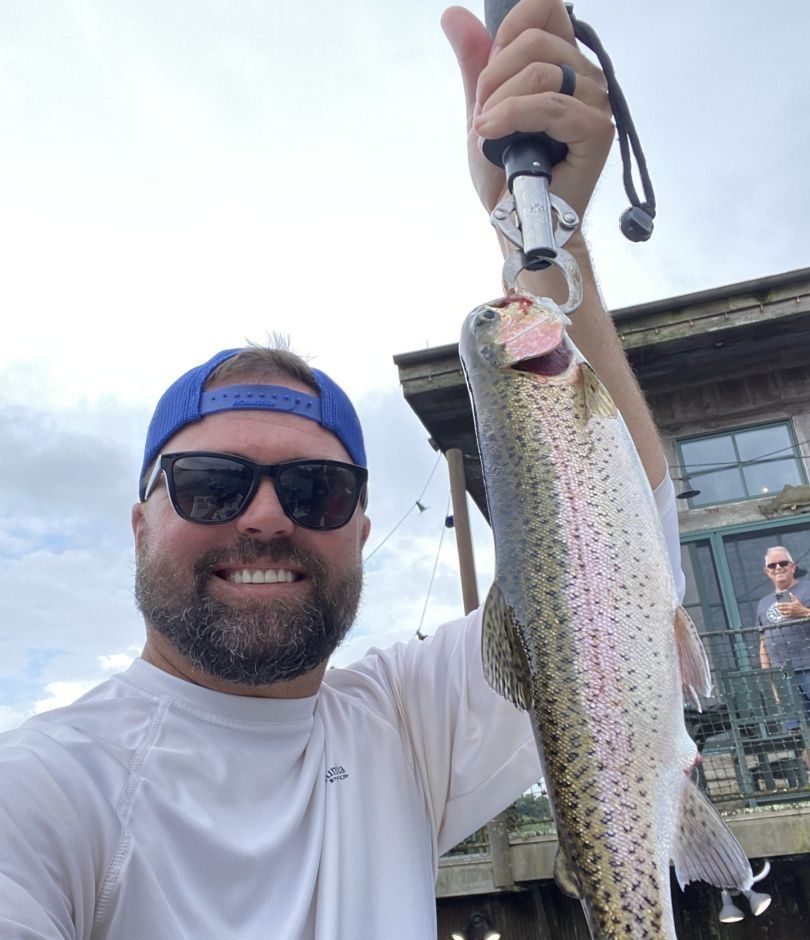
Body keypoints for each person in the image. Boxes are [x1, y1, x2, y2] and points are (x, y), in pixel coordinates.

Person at [0, 2, 684, 937]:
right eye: (212, 483)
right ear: (140, 520)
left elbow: (625, 572)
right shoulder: (40, 793)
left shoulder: (397, 724)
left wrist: (550, 235)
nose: (267, 518)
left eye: (317, 491)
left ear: (359, 529)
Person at [757, 546, 810, 723]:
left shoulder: (807, 588)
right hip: (783, 674)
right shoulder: (763, 603)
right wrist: (771, 682)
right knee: (798, 730)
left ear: (793, 567)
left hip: (808, 667)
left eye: (783, 563)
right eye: (772, 565)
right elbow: (763, 643)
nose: (778, 568)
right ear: (767, 572)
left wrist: (804, 612)